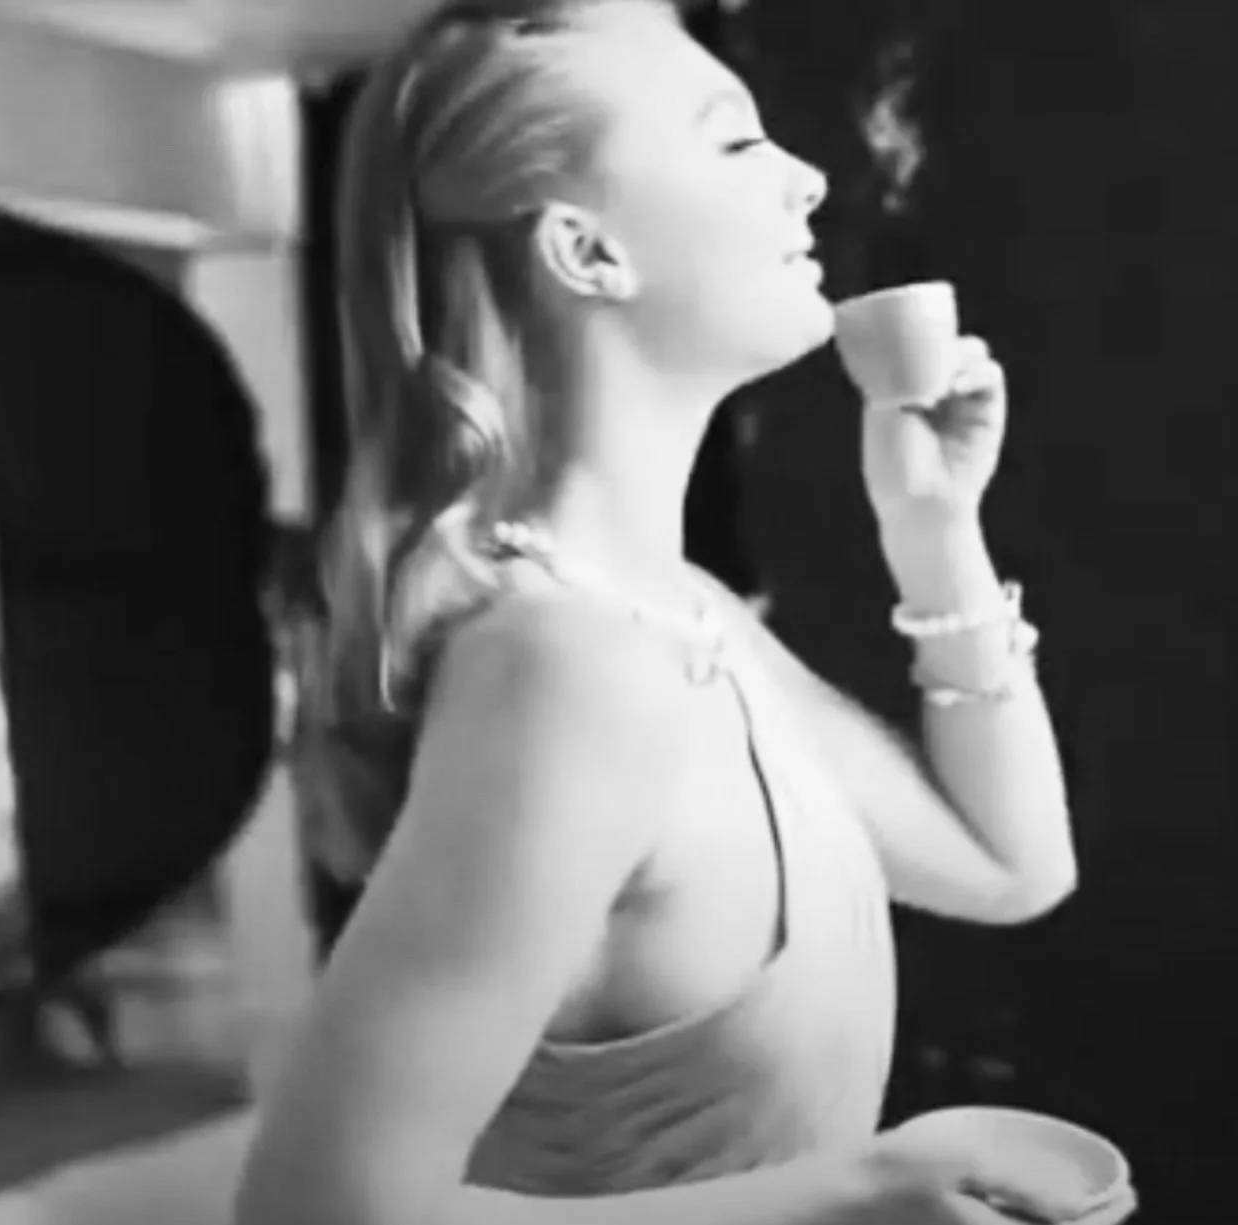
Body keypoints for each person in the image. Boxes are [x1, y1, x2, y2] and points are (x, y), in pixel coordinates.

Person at [232, 3, 1119, 1223]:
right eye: (735, 142)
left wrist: (932, 532)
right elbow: (316, 1208)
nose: (807, 179)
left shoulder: (681, 615)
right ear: (588, 252)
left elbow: (1010, 865)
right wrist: (850, 1192)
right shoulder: (564, 668)